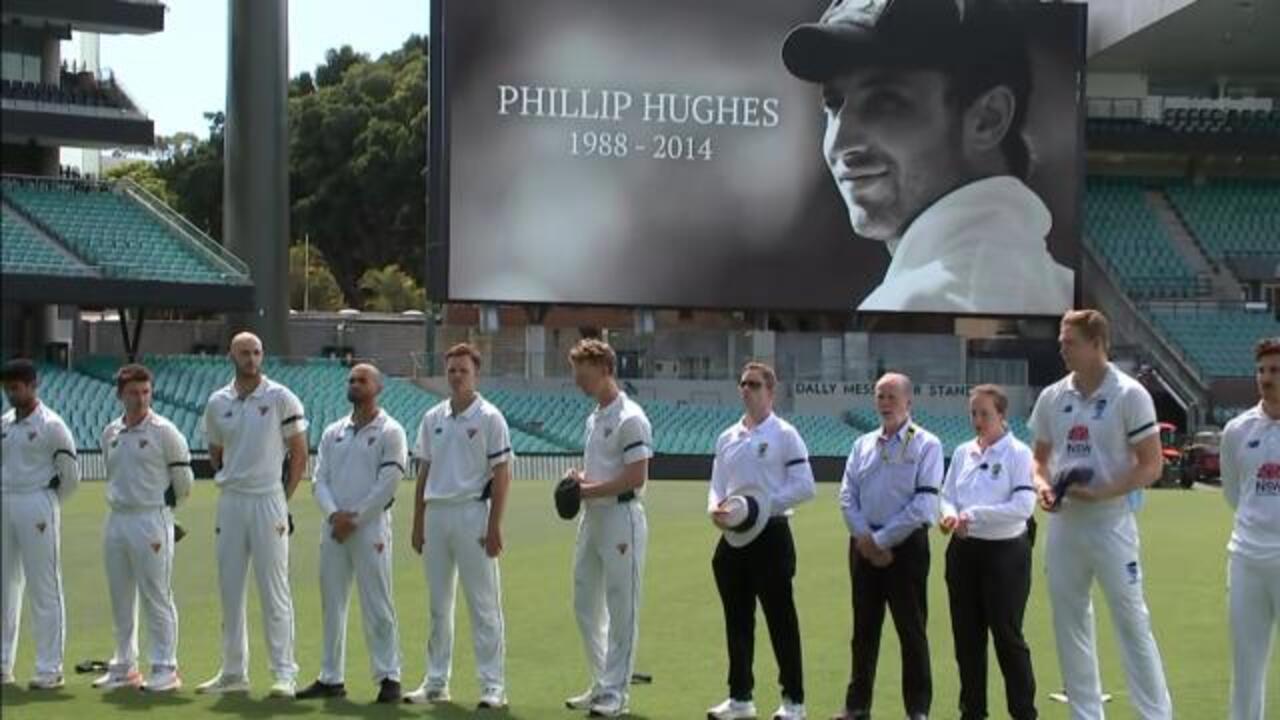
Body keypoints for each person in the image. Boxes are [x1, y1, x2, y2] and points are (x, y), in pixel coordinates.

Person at [781, 0, 1073, 315]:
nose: (841, 142)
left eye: (885, 101)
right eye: (834, 104)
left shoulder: (916, 304)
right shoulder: (1067, 291)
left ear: (988, 118)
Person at [1030, 309, 1172, 720]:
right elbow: (1038, 460)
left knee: (1131, 622)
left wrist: (1101, 493)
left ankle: (1157, 715)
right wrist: (1043, 487)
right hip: (1064, 526)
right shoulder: (1053, 397)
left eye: (1069, 341)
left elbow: (1152, 465)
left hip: (1111, 523)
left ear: (1096, 344)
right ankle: (1086, 714)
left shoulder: (1129, 394)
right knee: (1069, 621)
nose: (1061, 347)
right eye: (1061, 340)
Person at [197, 332, 308, 698]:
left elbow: (299, 454)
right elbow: (215, 451)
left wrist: (282, 497)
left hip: (267, 500)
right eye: (244, 352)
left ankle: (284, 673)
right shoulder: (217, 401)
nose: (251, 358)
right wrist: (231, 476)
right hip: (231, 500)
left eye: (256, 352)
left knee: (274, 589)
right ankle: (233, 672)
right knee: (230, 588)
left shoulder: (279, 397)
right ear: (232, 355)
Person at [405, 344, 513, 709]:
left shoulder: (489, 417)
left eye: (462, 371)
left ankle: (492, 686)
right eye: (451, 370)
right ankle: (436, 681)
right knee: (438, 605)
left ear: (475, 374)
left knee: (483, 605)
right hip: (437, 514)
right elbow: (424, 471)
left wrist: (495, 525)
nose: (455, 376)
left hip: (472, 513)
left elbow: (502, 475)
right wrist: (418, 520)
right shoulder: (432, 416)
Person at [706, 362, 815, 720]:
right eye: (742, 384)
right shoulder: (727, 436)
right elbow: (717, 485)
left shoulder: (785, 434)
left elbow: (805, 486)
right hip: (734, 537)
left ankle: (794, 702)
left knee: (781, 621)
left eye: (754, 384)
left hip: (772, 534)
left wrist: (762, 506)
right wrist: (715, 509)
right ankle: (740, 697)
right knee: (736, 620)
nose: (746, 389)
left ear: (771, 391)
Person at [834, 372, 942, 720]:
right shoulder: (862, 444)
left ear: (908, 402)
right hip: (863, 547)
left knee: (911, 632)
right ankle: (857, 706)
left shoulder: (927, 444)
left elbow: (924, 506)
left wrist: (880, 540)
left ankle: (918, 710)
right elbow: (847, 495)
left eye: (891, 396)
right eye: (880, 395)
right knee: (863, 631)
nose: (884, 403)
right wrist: (865, 537)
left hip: (905, 549)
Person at [298, 363, 406, 704]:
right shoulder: (334, 432)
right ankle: (331, 677)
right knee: (332, 603)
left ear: (378, 387)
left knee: (377, 602)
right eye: (351, 380)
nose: (355, 385)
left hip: (369, 527)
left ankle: (389, 675)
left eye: (362, 381)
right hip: (334, 529)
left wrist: (354, 518)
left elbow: (387, 485)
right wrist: (334, 515)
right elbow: (320, 480)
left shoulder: (391, 431)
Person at [563, 339, 653, 718]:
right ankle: (603, 681)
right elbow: (604, 469)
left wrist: (585, 490)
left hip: (621, 518)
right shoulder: (595, 416)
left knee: (621, 606)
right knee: (585, 602)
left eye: (583, 375)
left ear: (604, 370)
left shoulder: (630, 417)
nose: (578, 382)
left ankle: (617, 694)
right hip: (593, 517)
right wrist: (579, 478)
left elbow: (635, 477)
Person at [939, 384, 1037, 720]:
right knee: (967, 641)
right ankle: (973, 712)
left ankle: (1023, 712)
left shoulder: (1019, 453)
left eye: (985, 414)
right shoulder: (964, 451)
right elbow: (947, 493)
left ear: (1002, 416)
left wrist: (974, 515)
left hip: (1005, 555)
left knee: (1007, 638)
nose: (978, 420)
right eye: (973, 413)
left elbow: (1024, 505)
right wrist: (949, 513)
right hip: (964, 553)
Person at [94, 364, 192, 693]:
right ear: (120, 394)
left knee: (156, 594)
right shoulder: (111, 432)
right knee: (120, 595)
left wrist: (166, 512)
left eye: (146, 392)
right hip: (117, 518)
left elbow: (184, 482)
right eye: (133, 393)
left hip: (151, 519)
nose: (140, 399)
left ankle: (166, 667)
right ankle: (124, 665)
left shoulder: (164, 431)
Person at [0, 358, 80, 690]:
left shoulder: (52, 425)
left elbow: (71, 478)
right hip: (5, 501)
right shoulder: (4, 423)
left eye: (16, 388)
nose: (10, 394)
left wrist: (47, 506)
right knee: (4, 586)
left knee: (43, 586)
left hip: (37, 504)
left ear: (34, 386)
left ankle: (49, 668)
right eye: (7, 389)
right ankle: (3, 664)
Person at [1219, 337, 1280, 720]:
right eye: (1261, 370)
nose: (1266, 378)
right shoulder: (1237, 430)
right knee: (1246, 668)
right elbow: (1233, 491)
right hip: (1246, 559)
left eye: (1275, 371)